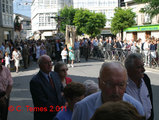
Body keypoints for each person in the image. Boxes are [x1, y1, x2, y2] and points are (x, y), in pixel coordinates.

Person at [72, 62, 145, 120]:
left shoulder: (136, 108)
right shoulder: (82, 108)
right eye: (110, 84)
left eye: (121, 85)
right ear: (100, 83)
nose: (116, 91)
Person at [30, 55, 65, 120]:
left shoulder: (55, 75)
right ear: (40, 65)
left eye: (50, 62)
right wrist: (58, 109)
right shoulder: (35, 81)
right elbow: (41, 101)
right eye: (46, 63)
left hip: (59, 114)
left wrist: (64, 106)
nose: (49, 65)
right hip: (45, 116)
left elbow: (62, 91)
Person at [124, 53, 154, 120]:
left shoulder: (145, 79)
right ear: (129, 70)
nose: (143, 70)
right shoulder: (122, 84)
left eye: (143, 66)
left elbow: (150, 102)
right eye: (139, 67)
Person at [0, 53, 13, 120]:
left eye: (0, 59)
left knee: (4, 115)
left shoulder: (6, 70)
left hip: (5, 95)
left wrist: (5, 96)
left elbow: (10, 84)